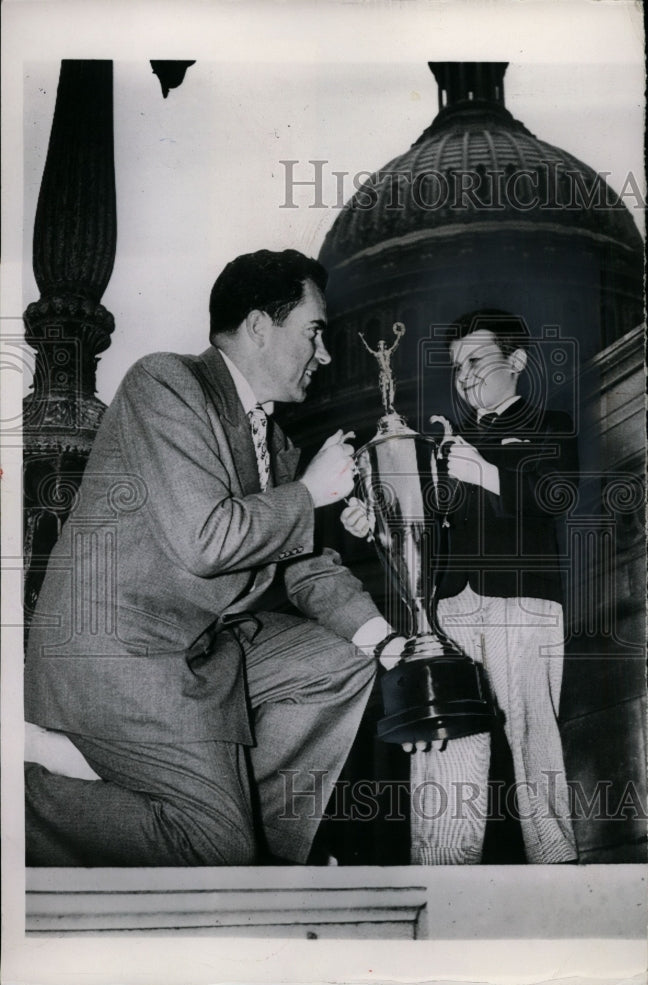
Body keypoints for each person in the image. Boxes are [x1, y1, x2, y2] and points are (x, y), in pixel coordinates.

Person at [24, 248, 405, 867]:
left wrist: (391, 645)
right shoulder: (165, 383)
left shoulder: (275, 441)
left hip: (199, 648)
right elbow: (207, 541)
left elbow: (306, 568)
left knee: (342, 662)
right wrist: (309, 493)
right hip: (119, 655)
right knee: (211, 845)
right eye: (314, 331)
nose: (325, 353)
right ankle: (27, 799)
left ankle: (262, 853)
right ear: (259, 326)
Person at [343, 309, 579, 864]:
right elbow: (418, 529)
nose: (465, 376)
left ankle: (559, 869)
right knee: (447, 741)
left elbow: (558, 495)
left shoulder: (552, 424)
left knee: (532, 738)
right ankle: (443, 871)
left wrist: (486, 472)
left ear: (517, 362)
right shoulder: (442, 443)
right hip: (449, 607)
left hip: (522, 603)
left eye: (476, 360)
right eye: (456, 367)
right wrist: (372, 524)